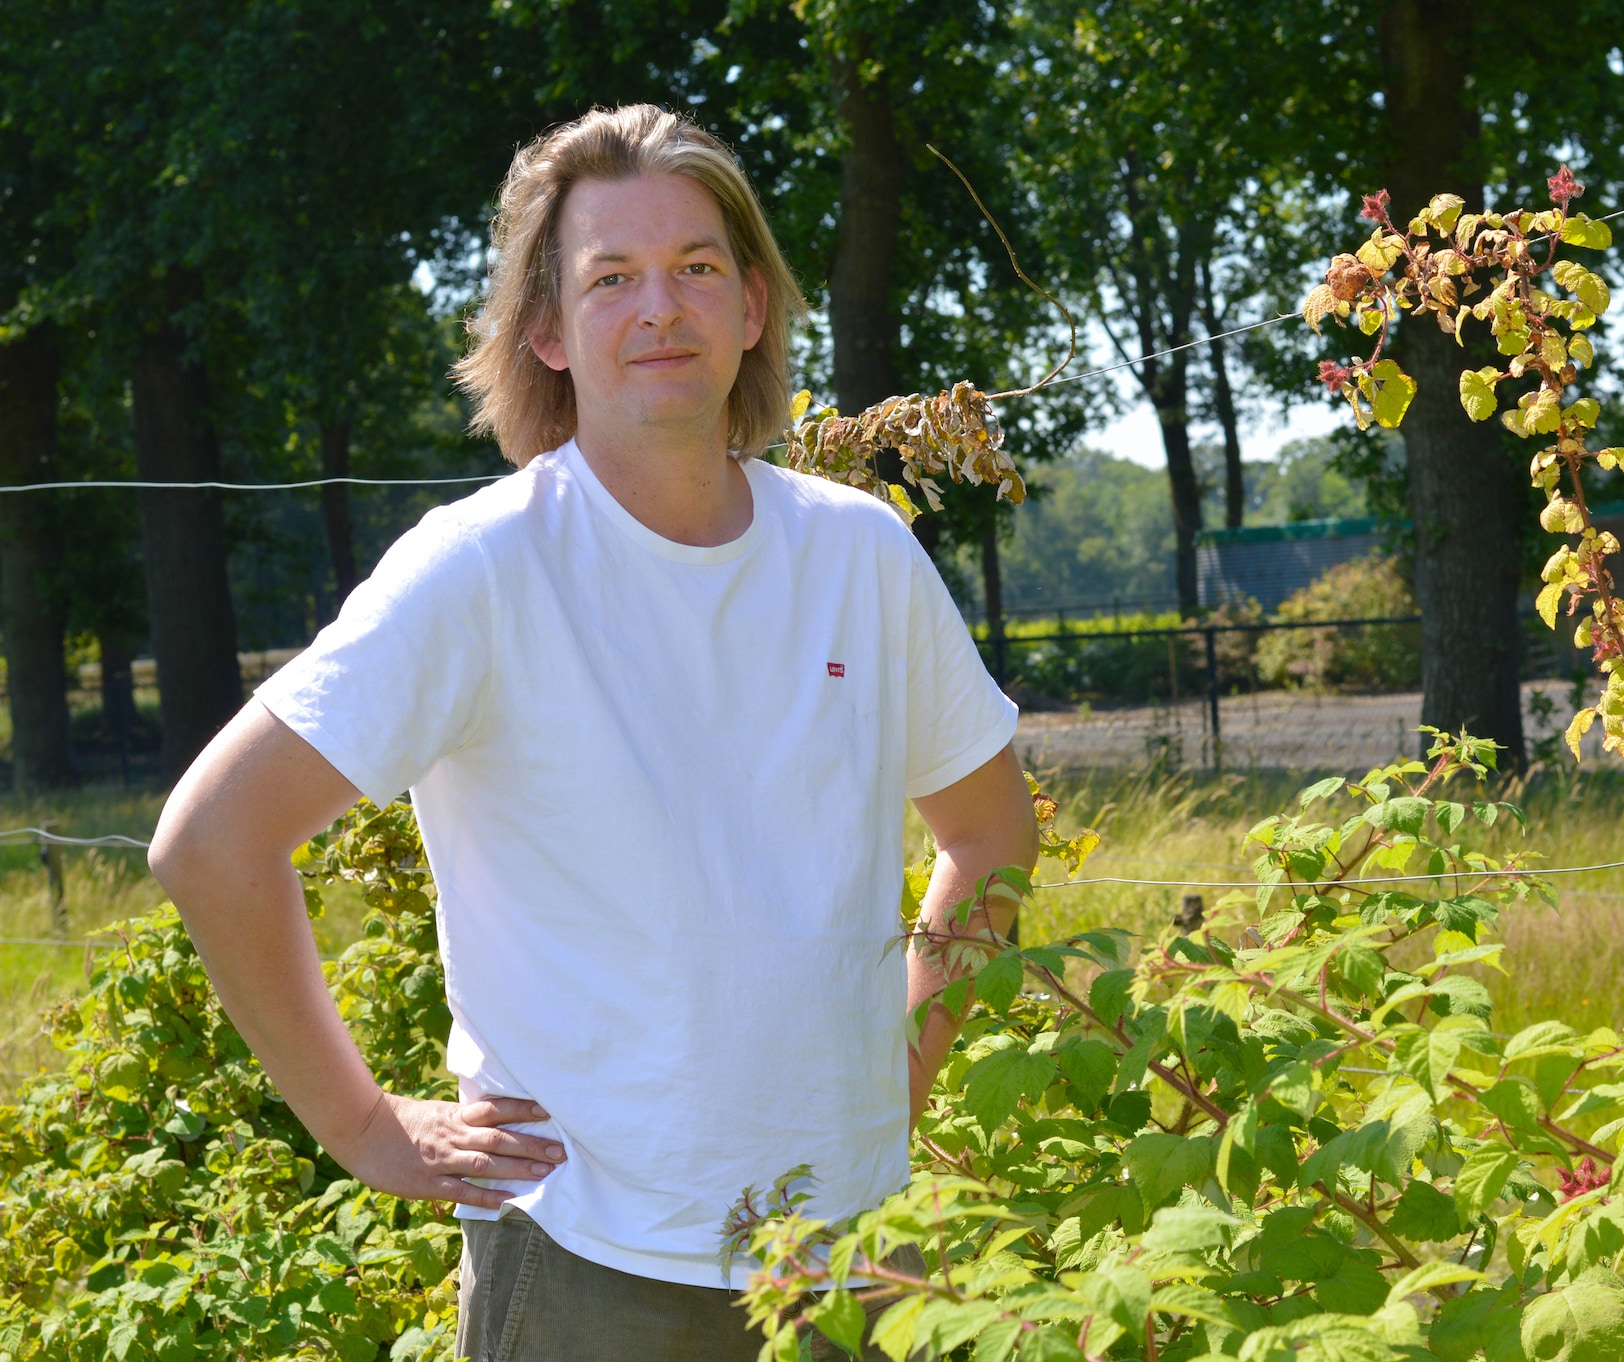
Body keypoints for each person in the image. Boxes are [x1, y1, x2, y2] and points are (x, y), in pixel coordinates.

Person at [148, 104, 1037, 1361]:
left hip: (853, 1247)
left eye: (695, 269)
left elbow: (991, 834)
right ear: (549, 331)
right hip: (589, 1258)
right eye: (610, 277)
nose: (658, 308)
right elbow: (212, 843)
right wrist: (359, 1128)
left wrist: (891, 1080)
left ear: (753, 309)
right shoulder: (482, 570)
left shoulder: (862, 555)